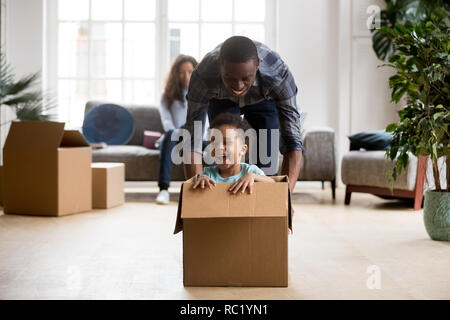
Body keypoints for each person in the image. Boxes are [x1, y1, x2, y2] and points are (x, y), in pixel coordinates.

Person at [184, 36, 305, 196]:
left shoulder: (278, 75)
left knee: (266, 163)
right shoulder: (203, 76)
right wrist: (197, 197)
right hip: (221, 99)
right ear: (221, 67)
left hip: (263, 99)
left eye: (246, 78)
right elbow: (193, 140)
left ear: (257, 66)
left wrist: (284, 202)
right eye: (230, 78)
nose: (238, 86)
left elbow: (292, 142)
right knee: (224, 153)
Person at [192, 113, 274, 193]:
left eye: (226, 142)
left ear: (242, 150)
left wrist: (253, 177)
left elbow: (274, 183)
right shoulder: (208, 174)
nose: (219, 147)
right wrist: (201, 179)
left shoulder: (251, 171)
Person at [156, 54, 198, 205]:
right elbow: (167, 121)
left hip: (198, 136)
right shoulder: (167, 97)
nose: (186, 76)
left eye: (190, 71)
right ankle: (163, 190)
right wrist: (177, 133)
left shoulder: (203, 94)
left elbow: (205, 124)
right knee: (169, 135)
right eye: (182, 72)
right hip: (175, 137)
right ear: (176, 74)